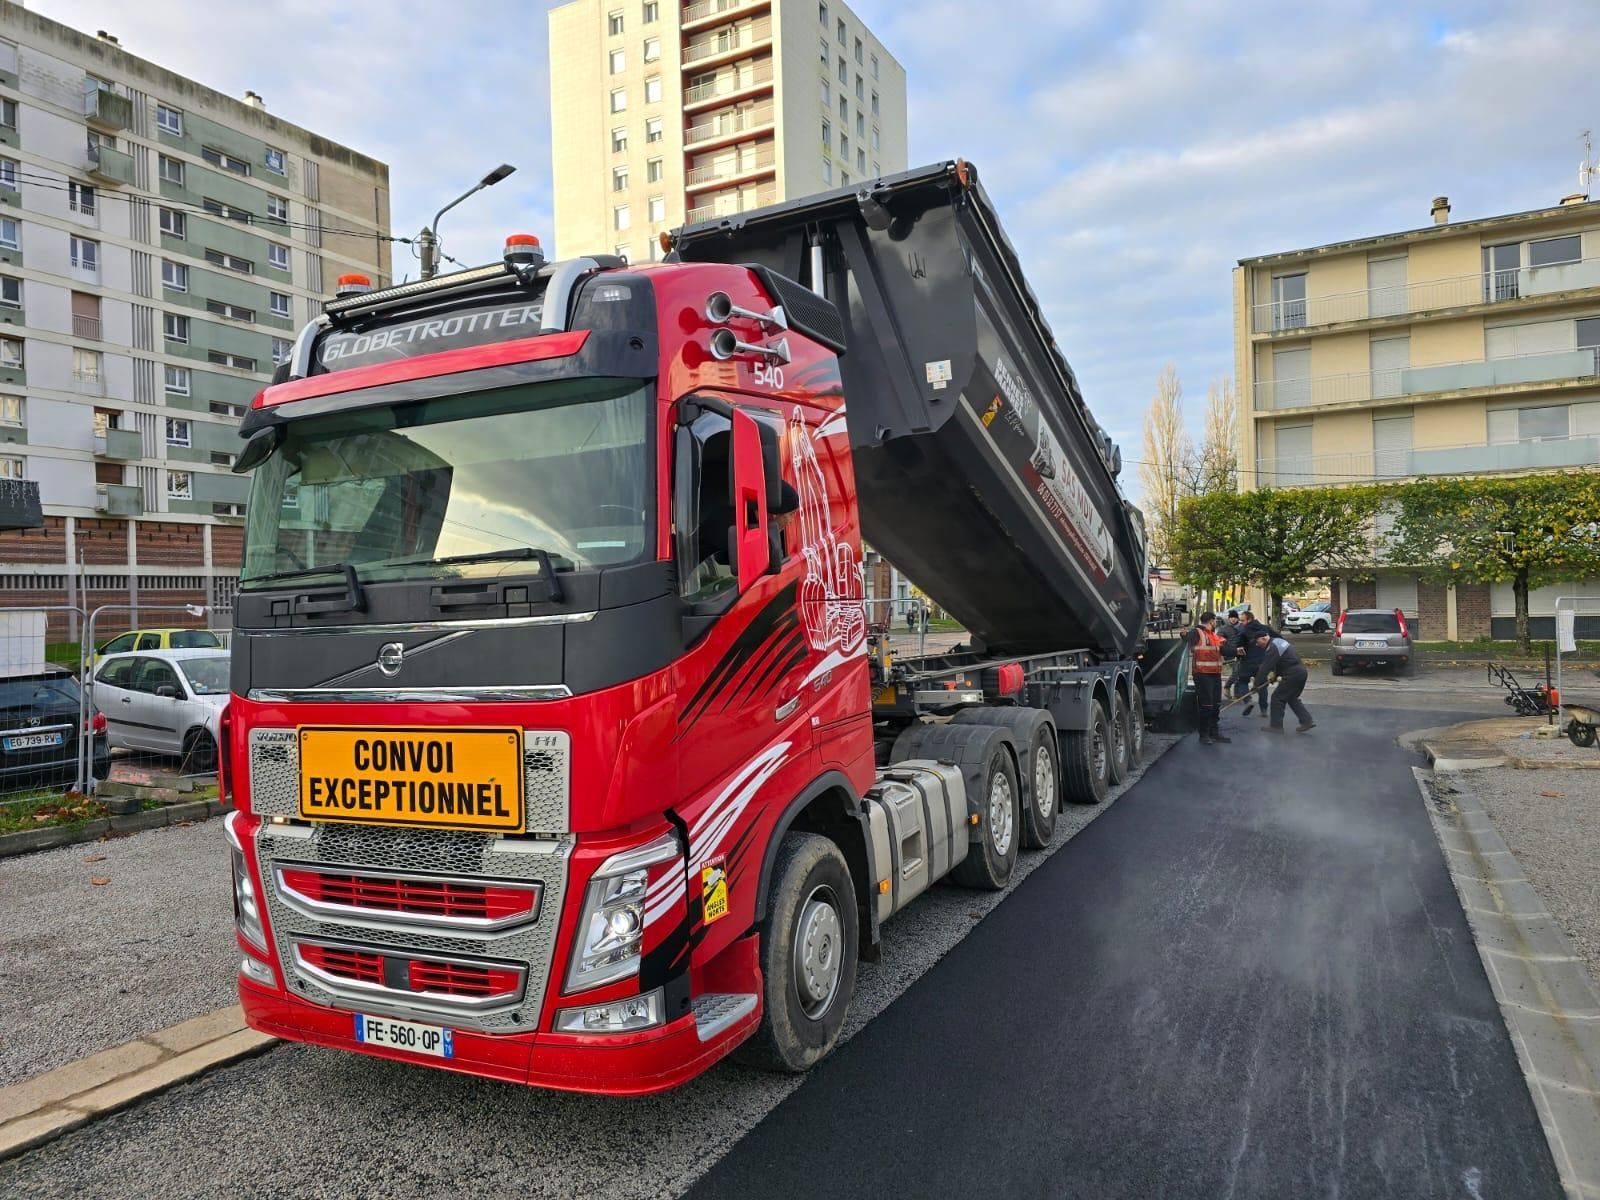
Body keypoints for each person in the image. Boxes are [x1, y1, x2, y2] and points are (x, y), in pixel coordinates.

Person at [1249, 629, 1315, 733]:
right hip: (1300, 672)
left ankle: (1276, 727)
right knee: (1292, 698)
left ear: (1264, 638)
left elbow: (1264, 669)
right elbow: (1282, 662)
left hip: (1292, 675)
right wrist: (1275, 676)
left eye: (1257, 642)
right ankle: (1307, 721)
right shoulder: (1278, 641)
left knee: (1277, 698)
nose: (1257, 645)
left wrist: (1256, 685)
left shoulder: (1272, 648)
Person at [1186, 611, 1230, 744]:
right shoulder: (1197, 632)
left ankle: (1214, 733)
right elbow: (1188, 638)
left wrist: (1236, 652)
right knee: (1207, 705)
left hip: (1215, 674)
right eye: (1215, 621)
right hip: (1202, 674)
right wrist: (1184, 635)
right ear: (1212, 621)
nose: (1215, 623)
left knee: (1216, 704)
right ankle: (1204, 735)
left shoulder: (1213, 635)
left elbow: (1221, 650)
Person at [1232, 606, 1271, 717]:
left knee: (1242, 682)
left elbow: (1238, 646)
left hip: (1247, 662)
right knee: (1262, 685)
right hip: (1263, 661)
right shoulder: (1265, 628)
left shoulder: (1243, 631)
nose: (1241, 623)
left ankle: (1248, 701)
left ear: (1249, 619)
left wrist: (1236, 654)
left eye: (1243, 620)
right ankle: (1264, 710)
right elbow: (1277, 638)